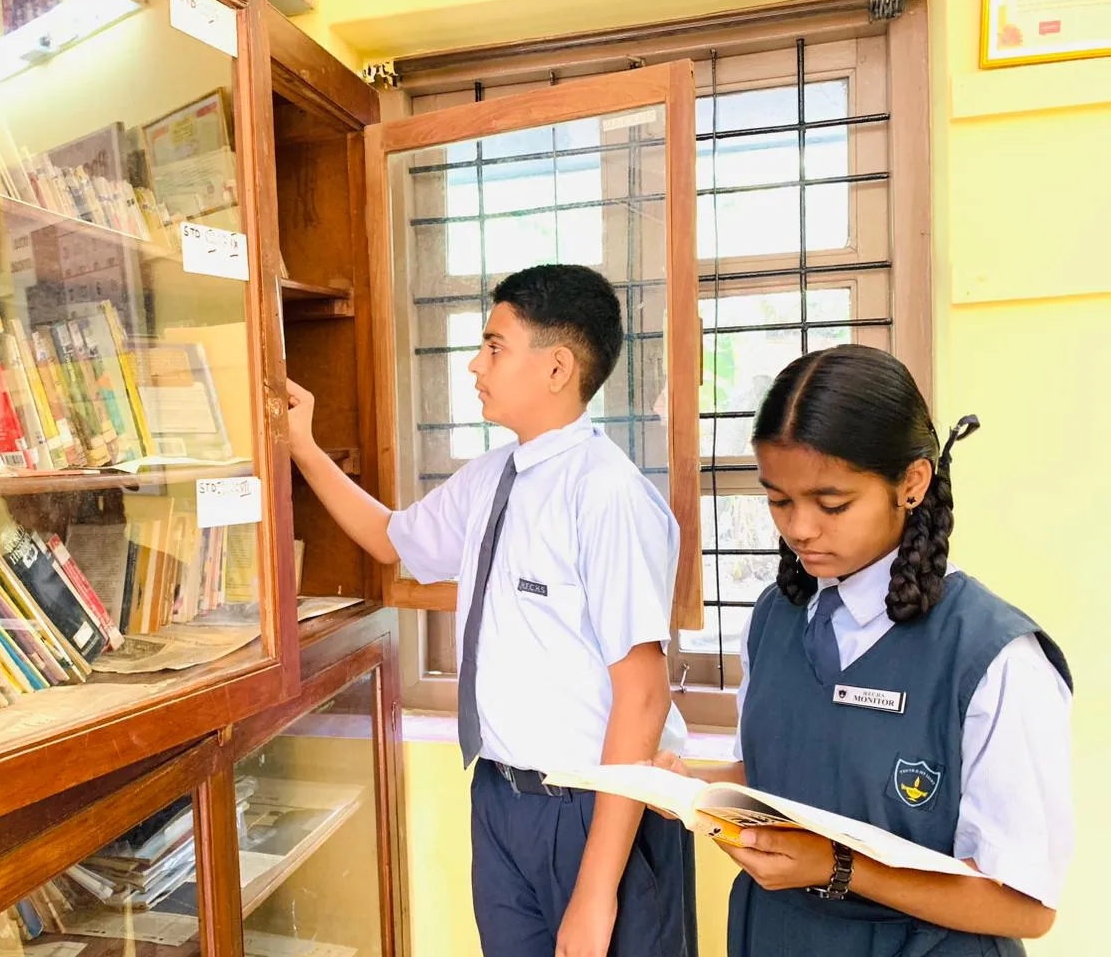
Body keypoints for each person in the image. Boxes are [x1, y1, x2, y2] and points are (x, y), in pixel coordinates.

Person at [286, 263, 695, 957]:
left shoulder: (607, 495)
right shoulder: (491, 477)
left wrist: (597, 891)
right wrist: (303, 446)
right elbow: (391, 539)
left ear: (557, 367)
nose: (476, 364)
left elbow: (644, 695)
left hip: (595, 808)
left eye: (495, 346)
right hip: (502, 797)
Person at [653, 344, 1073, 956]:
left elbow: (1025, 906)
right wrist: (691, 787)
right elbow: (772, 774)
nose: (799, 529)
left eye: (832, 504)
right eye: (778, 500)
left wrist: (839, 868)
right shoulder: (773, 619)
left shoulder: (994, 656)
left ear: (912, 483)